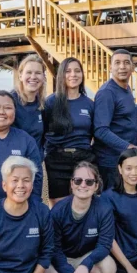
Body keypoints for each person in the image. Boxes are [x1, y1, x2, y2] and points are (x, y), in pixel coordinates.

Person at [45, 162, 118, 273]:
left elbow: (105, 244)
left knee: (109, 267)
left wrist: (86, 264)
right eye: (78, 181)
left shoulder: (104, 209)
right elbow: (53, 249)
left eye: (89, 181)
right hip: (61, 258)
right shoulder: (58, 210)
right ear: (71, 184)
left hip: (86, 256)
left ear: (96, 185)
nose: (83, 185)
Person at [94, 49, 137, 188]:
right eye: (117, 63)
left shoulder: (126, 89)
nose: (122, 67)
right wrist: (132, 148)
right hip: (109, 164)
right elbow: (100, 130)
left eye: (126, 63)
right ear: (110, 67)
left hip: (124, 160)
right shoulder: (107, 92)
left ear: (132, 67)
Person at [43, 57, 96, 203]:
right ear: (61, 75)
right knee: (59, 209)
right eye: (68, 71)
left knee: (83, 205)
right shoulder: (51, 102)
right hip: (56, 161)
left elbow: (95, 134)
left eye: (77, 71)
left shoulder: (89, 104)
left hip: (83, 160)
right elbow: (42, 133)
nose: (73, 74)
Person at [11, 54, 47, 148]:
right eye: (29, 72)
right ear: (20, 76)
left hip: (35, 160)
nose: (33, 77)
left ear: (43, 77)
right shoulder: (10, 101)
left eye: (38, 73)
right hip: (15, 160)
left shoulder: (42, 104)